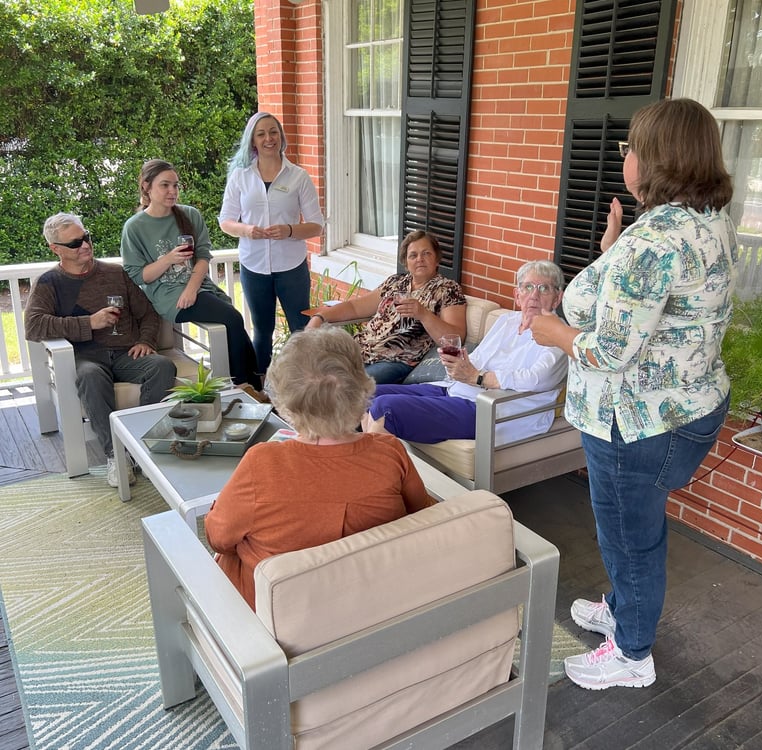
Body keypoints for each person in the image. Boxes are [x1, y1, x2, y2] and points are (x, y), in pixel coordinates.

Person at [530, 98, 737, 690]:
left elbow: (609, 351)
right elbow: (654, 308)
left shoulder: (652, 243)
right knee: (635, 530)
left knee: (630, 536)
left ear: (653, 159)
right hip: (688, 403)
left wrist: (555, 332)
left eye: (629, 148)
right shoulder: (707, 219)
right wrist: (612, 252)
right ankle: (625, 609)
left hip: (637, 422)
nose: (625, 156)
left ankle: (633, 653)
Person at [205, 326, 435, 609]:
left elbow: (218, 538)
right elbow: (423, 516)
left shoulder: (262, 464)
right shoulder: (389, 452)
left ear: (285, 404)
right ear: (362, 389)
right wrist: (377, 442)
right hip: (369, 607)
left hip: (275, 624)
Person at [25, 212, 177, 487]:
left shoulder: (115, 273)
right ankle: (115, 456)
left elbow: (149, 314)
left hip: (127, 353)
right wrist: (89, 323)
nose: (84, 245)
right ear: (55, 249)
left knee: (162, 366)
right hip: (87, 357)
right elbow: (34, 326)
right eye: (74, 243)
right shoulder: (49, 283)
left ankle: (139, 447)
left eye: (86, 238)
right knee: (90, 377)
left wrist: (146, 341)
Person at [361, 260, 568, 443]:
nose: (534, 295)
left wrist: (480, 378)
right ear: (517, 295)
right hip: (457, 391)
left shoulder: (561, 335)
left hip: (492, 409)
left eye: (544, 289)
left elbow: (539, 379)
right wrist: (458, 364)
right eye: (528, 287)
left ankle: (372, 476)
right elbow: (479, 358)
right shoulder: (507, 321)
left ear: (557, 298)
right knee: (366, 394)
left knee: (387, 407)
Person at [120, 159, 261, 391]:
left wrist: (191, 288)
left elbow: (203, 256)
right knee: (233, 319)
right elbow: (139, 276)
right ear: (146, 187)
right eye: (165, 185)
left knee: (232, 319)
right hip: (167, 296)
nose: (172, 191)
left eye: (175, 185)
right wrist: (168, 259)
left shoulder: (190, 215)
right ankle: (247, 385)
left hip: (197, 288)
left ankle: (250, 384)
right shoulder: (135, 227)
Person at [219, 112, 324, 374]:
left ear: (281, 136)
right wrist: (247, 229)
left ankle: (302, 384)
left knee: (301, 329)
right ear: (252, 140)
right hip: (254, 267)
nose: (269, 138)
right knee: (262, 330)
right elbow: (226, 221)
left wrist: (289, 229)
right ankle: (260, 387)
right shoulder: (241, 177)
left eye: (273, 132)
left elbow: (316, 224)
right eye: (261, 133)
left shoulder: (298, 176)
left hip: (291, 267)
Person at [306, 230, 467, 384]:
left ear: (437, 259)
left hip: (396, 360)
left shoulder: (448, 289)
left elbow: (455, 338)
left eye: (426, 253)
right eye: (413, 255)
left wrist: (423, 314)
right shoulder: (395, 283)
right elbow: (355, 308)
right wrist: (320, 317)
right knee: (314, 370)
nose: (420, 259)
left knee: (348, 385)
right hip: (363, 349)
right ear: (406, 262)